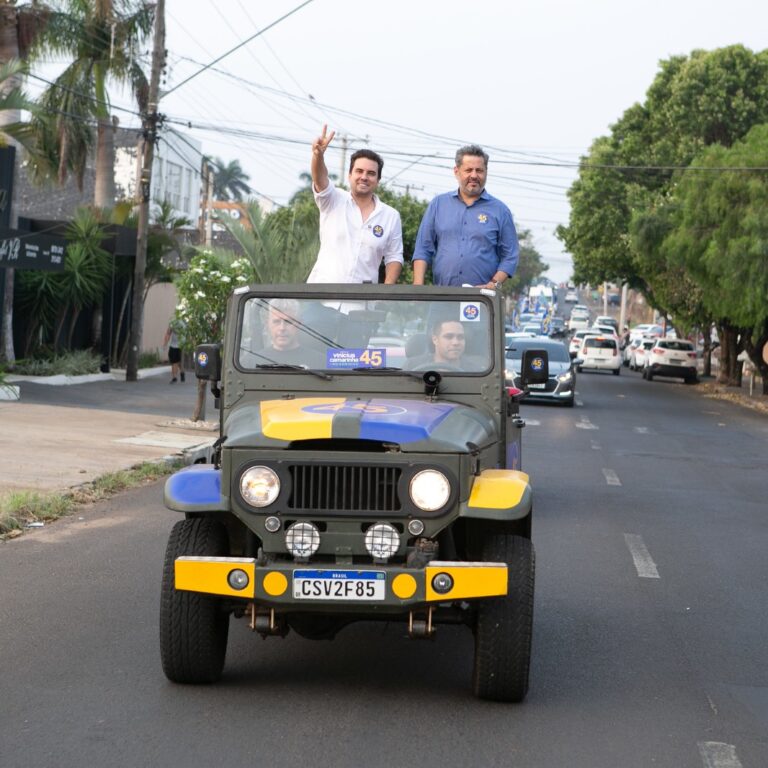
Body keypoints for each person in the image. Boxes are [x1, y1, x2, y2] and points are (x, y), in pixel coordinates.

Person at [412, 144, 519, 289]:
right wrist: (418, 288)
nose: (474, 176)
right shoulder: (438, 205)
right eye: (468, 170)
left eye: (479, 170)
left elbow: (510, 256)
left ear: (486, 172)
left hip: (482, 301)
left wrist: (493, 284)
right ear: (456, 171)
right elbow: (422, 249)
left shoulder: (500, 211)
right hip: (441, 297)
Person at [307, 125, 403, 284]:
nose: (364, 177)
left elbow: (394, 256)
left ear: (378, 180)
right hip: (320, 298)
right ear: (350, 175)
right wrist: (318, 155)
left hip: (362, 303)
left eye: (371, 173)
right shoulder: (333, 199)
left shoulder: (391, 216)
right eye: (359, 171)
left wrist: (386, 292)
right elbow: (320, 178)